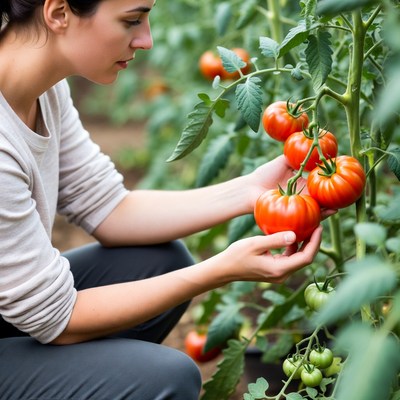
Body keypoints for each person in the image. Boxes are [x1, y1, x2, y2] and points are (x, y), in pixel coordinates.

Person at [0, 1, 325, 399]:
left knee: (159, 262)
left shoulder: (45, 90)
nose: (147, 40)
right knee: (165, 379)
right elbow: (56, 319)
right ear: (59, 13)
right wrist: (219, 270)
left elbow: (108, 208)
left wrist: (251, 191)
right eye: (132, 21)